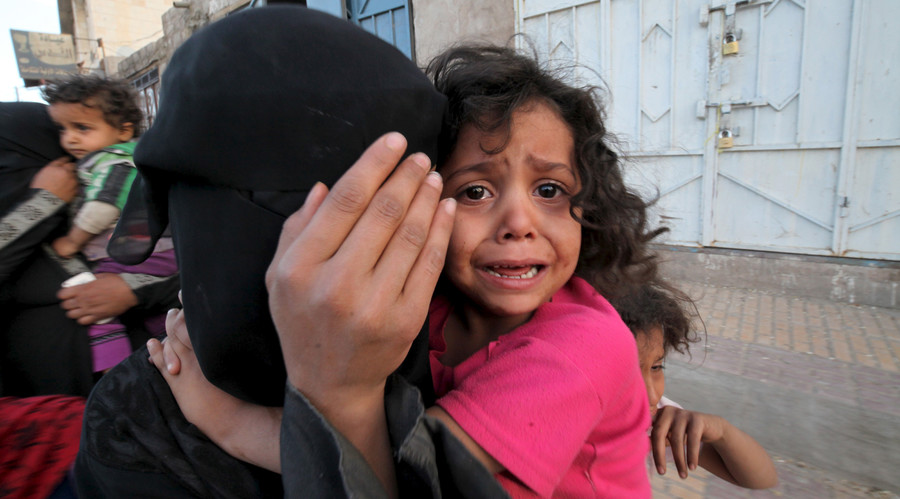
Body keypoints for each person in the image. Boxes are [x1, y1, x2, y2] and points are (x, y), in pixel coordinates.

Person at [150, 45, 666, 497]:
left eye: (549, 191)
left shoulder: (583, 347)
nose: (518, 223)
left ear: (591, 207)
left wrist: (228, 423)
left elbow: (400, 478)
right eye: (475, 192)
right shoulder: (434, 307)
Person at [74, 6, 505, 497]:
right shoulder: (138, 420)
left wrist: (286, 418)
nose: (322, 270)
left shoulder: (482, 349)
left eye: (381, 213)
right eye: (277, 204)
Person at [0, 101, 178, 397]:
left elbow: (197, 277)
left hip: (150, 401)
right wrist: (42, 203)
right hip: (47, 421)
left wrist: (132, 289)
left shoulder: (116, 207)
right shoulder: (37, 217)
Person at [42, 75, 178, 373]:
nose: (70, 139)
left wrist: (73, 242)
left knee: (97, 309)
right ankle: (170, 353)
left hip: (140, 253)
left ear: (123, 130)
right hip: (149, 252)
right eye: (63, 129)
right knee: (160, 317)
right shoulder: (111, 157)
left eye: (82, 128)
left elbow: (104, 206)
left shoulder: (114, 160)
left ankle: (113, 374)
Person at [612, 282, 778, 489]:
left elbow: (761, 480)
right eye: (626, 374)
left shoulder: (659, 424)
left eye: (656, 367)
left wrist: (721, 431)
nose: (653, 396)